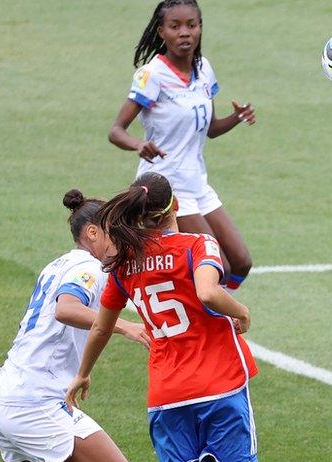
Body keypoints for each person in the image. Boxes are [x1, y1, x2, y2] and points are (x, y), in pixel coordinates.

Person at [65, 172, 262, 462]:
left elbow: (102, 325)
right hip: (220, 383)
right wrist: (240, 311)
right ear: (174, 207)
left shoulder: (125, 265)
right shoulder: (198, 244)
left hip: (167, 394)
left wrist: (83, 373)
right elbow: (208, 292)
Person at [0, 189, 148, 462]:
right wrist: (125, 328)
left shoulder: (60, 265)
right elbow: (67, 308)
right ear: (90, 234)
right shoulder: (86, 268)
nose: (119, 241)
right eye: (113, 233)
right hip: (34, 402)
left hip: (1, 399)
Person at [108, 0, 256, 293]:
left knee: (241, 263)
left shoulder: (203, 70)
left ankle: (213, 314)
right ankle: (207, 321)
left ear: (200, 28)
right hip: (167, 187)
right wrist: (139, 144)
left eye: (192, 25)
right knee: (218, 267)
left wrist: (237, 118)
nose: (184, 32)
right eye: (175, 26)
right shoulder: (153, 75)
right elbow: (116, 131)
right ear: (161, 31)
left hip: (197, 183)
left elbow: (210, 128)